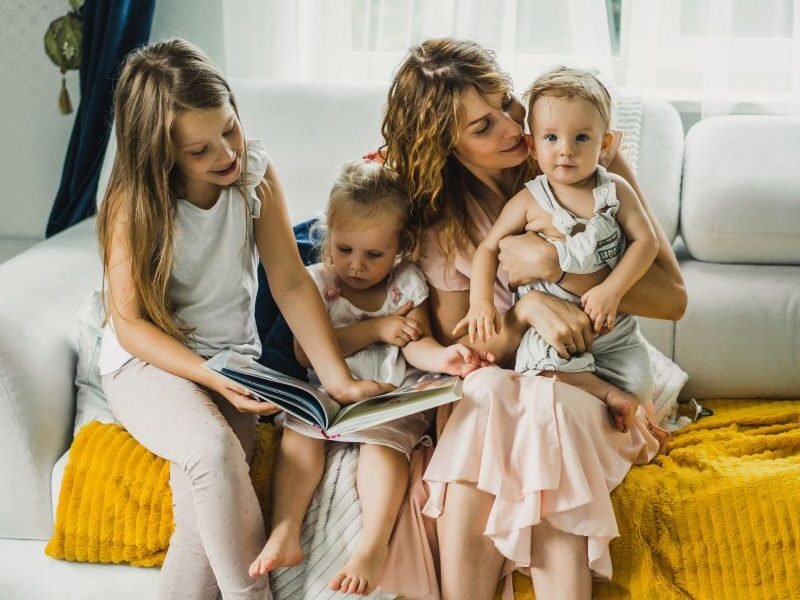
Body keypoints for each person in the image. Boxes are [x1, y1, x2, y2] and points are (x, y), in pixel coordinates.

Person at [381, 38, 686, 599]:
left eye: (507, 102)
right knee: (487, 392)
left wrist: (557, 268)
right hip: (523, 381)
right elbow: (477, 354)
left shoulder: (584, 156)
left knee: (538, 410)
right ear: (445, 145)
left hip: (597, 375)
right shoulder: (446, 224)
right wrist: (526, 307)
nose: (512, 128)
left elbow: (673, 300)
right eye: (482, 127)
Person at [95, 39, 389, 600]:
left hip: (232, 364)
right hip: (149, 363)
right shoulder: (134, 202)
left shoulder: (254, 172)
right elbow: (129, 325)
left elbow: (291, 282)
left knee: (201, 522)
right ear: (161, 153)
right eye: (199, 150)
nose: (226, 153)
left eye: (229, 129)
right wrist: (207, 375)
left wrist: (339, 380)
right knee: (211, 450)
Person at [249, 159, 489, 596]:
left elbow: (416, 343)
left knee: (383, 449)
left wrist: (445, 358)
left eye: (374, 255)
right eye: (344, 249)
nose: (356, 265)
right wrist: (376, 329)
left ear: (400, 246)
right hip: (329, 395)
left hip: (387, 397)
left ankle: (372, 546)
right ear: (328, 236)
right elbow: (305, 350)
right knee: (299, 436)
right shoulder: (317, 283)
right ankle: (285, 529)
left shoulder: (406, 283)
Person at [457, 66, 660, 434]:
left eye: (582, 137)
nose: (566, 149)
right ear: (533, 146)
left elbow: (647, 243)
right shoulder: (530, 200)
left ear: (605, 143)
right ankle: (603, 394)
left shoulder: (614, 190)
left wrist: (612, 290)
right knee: (542, 372)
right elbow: (487, 248)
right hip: (552, 329)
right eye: (551, 137)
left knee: (641, 384)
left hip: (613, 329)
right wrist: (480, 303)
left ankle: (629, 409)